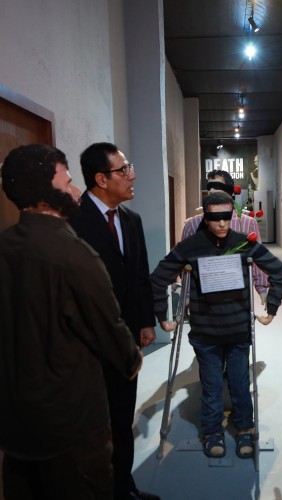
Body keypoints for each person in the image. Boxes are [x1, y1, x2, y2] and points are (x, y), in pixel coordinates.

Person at [0, 144, 143, 499]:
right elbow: (107, 325)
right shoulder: (73, 253)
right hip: (71, 418)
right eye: (67, 182)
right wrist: (131, 359)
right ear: (46, 191)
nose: (76, 189)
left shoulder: (5, 245)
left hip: (16, 416)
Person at [150, 191, 282, 459]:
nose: (222, 224)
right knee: (212, 384)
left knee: (239, 382)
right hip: (206, 330)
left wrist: (271, 306)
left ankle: (245, 428)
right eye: (215, 218)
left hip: (238, 328)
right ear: (205, 216)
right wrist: (162, 316)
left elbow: (279, 270)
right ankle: (212, 431)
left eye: (227, 217)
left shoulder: (243, 243)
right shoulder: (190, 246)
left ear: (232, 214)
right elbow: (158, 279)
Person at [68, 142, 158, 500]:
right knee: (92, 423)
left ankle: (124, 487)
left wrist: (146, 321)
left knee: (123, 416)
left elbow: (138, 276)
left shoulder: (131, 220)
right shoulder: (73, 220)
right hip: (87, 344)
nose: (132, 175)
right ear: (101, 179)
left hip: (126, 341)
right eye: (123, 171)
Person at [182, 169, 268, 303]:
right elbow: (186, 263)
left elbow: (257, 258)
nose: (211, 191)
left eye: (217, 187)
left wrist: (262, 288)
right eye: (209, 187)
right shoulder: (192, 225)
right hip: (203, 295)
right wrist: (187, 296)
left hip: (237, 293)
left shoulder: (246, 223)